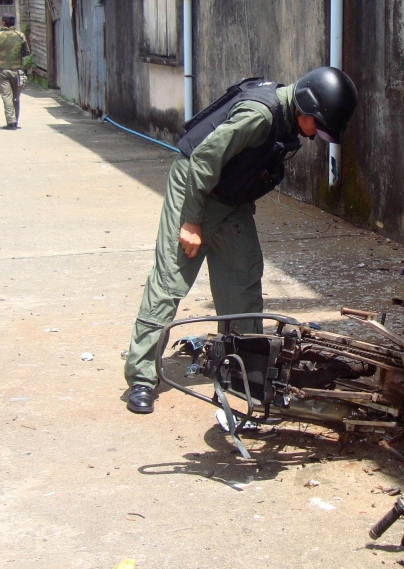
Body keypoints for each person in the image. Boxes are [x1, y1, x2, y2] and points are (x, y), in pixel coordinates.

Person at [122, 67, 358, 414]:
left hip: (230, 198)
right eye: (318, 126)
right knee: (170, 282)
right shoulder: (260, 116)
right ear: (305, 106)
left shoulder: (288, 119)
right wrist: (191, 221)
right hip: (196, 188)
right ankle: (141, 378)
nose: (316, 136)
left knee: (244, 279)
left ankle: (244, 370)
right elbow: (203, 158)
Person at [0, 14, 29, 129]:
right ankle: (15, 121)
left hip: (3, 70)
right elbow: (27, 51)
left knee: (6, 96)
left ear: (3, 23)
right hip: (17, 70)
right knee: (16, 97)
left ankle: (11, 122)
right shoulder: (20, 36)